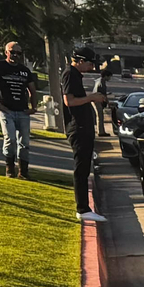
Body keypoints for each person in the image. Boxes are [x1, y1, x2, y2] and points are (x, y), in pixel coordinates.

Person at [60, 45, 103, 223]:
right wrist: (92, 97)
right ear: (81, 61)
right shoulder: (70, 74)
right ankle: (82, 208)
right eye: (91, 63)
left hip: (83, 127)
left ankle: (85, 207)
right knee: (81, 169)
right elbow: (69, 101)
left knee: (85, 168)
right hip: (78, 128)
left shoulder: (76, 75)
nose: (93, 67)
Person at [0, 41, 38, 178]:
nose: (15, 55)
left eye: (18, 53)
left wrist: (33, 107)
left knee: (24, 142)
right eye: (12, 52)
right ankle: (9, 169)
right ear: (6, 52)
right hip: (6, 110)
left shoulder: (24, 71)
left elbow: (32, 90)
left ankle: (23, 172)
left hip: (23, 111)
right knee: (10, 138)